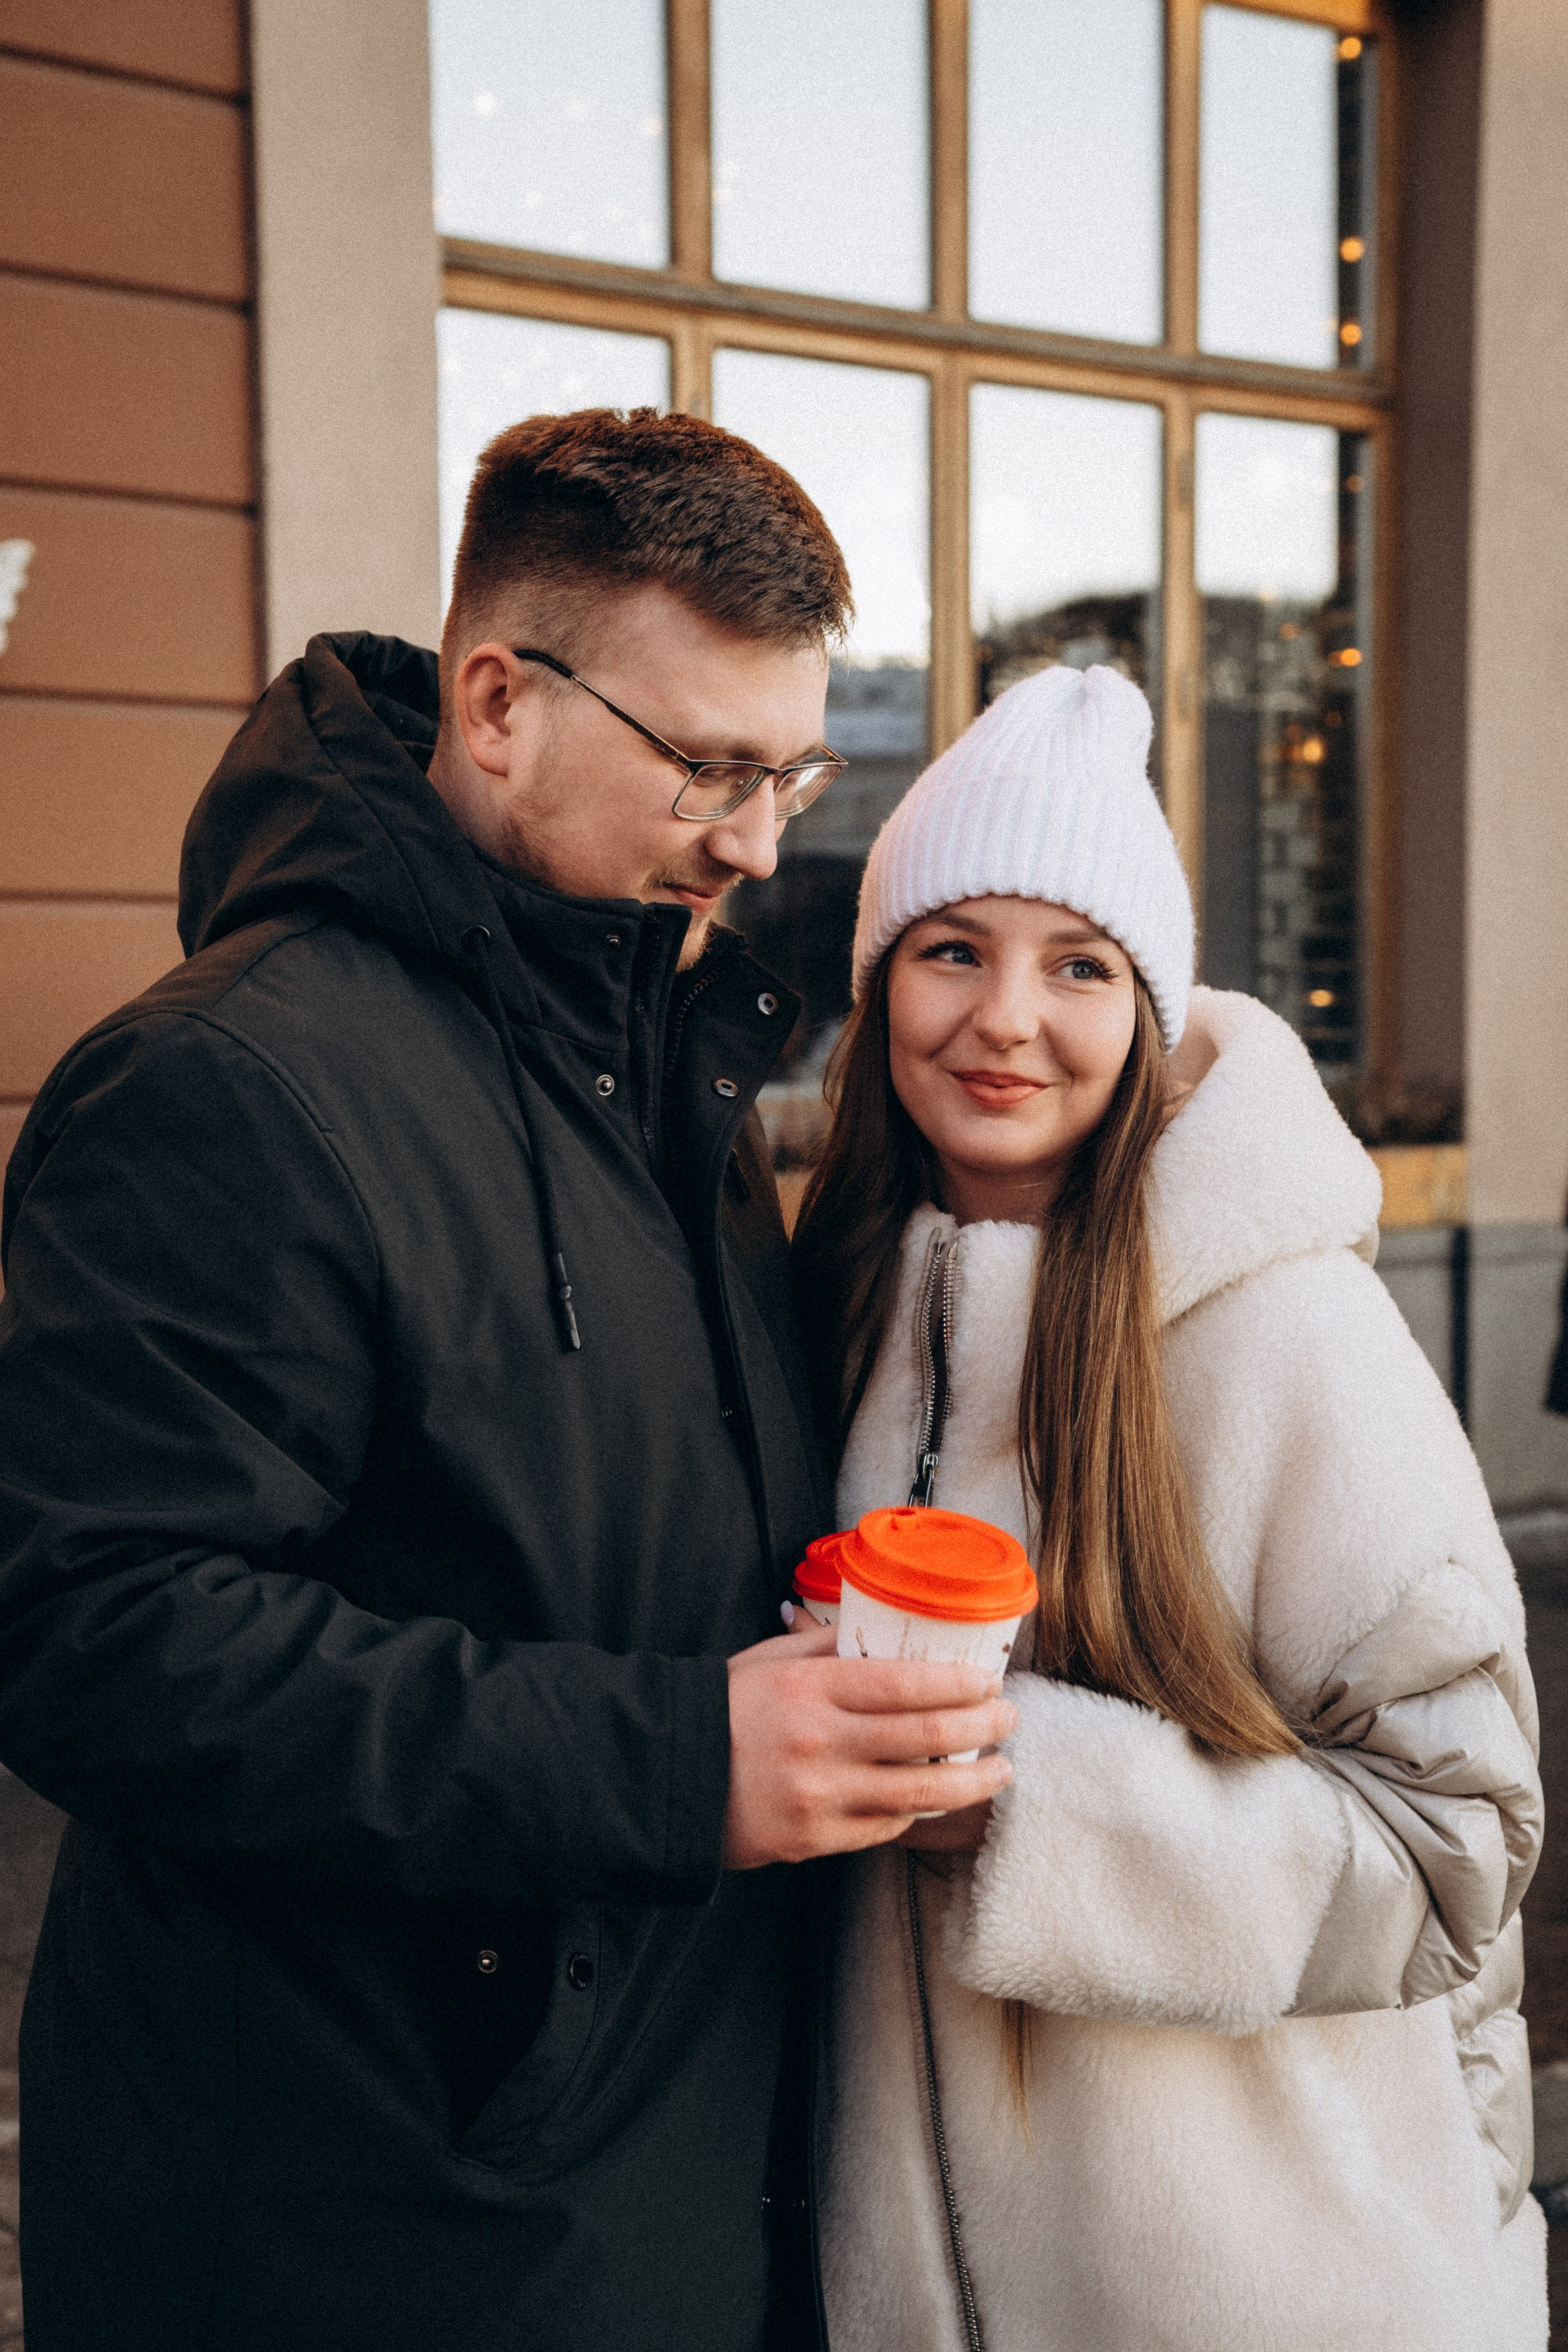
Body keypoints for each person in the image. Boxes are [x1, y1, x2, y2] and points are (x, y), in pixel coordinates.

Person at [0, 409, 1017, 2352]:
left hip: (651, 2170)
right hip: (360, 2218)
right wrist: (673, 1760)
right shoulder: (225, 1082)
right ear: (494, 700)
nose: (758, 838)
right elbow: (90, 1634)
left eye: (793, 768)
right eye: (711, 766)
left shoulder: (658, 1033)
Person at [791, 662, 1547, 2352]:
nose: (1005, 1020)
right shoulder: (824, 1302)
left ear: (1148, 1005)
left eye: (1078, 966)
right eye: (949, 950)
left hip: (1275, 2293)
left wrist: (1024, 1802)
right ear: (877, 981)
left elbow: (1460, 1850)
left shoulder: (1291, 1330)